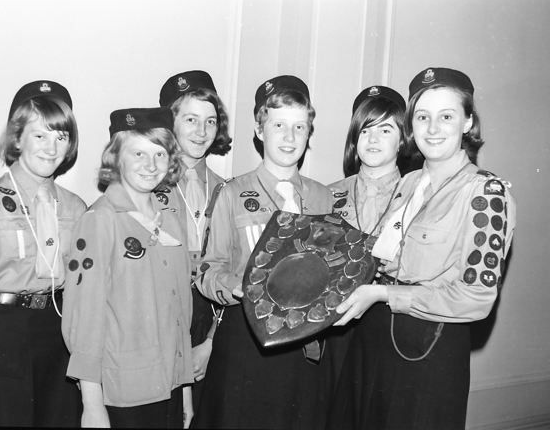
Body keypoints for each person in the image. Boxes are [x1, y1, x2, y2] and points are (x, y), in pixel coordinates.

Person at [327, 67, 517, 429]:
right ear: (411, 127)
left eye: (446, 116)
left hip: (429, 350)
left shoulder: (485, 194)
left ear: (467, 123)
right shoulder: (407, 182)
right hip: (372, 341)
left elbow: (475, 299)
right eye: (422, 117)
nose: (433, 128)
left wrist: (384, 293)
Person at [192, 75, 334, 429]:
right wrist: (237, 285)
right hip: (247, 339)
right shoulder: (232, 193)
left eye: (299, 127)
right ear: (259, 130)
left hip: (305, 340)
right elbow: (207, 271)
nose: (289, 137)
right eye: (279, 125)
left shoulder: (324, 198)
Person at [0, 80, 85, 426]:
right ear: (17, 137)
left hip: (59, 342)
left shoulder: (75, 208)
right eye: (40, 135)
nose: (51, 148)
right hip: (1, 339)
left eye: (61, 137)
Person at [61, 107, 194, 428]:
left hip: (171, 387)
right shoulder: (99, 221)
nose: (151, 166)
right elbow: (84, 321)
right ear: (116, 158)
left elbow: (180, 316)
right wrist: (91, 406)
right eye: (138, 153)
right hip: (122, 393)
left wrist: (186, 394)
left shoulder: (172, 221)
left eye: (160, 154)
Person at [158, 70, 232, 410]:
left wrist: (211, 341)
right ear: (170, 122)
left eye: (210, 121)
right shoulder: (145, 188)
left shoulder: (229, 191)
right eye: (190, 119)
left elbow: (234, 273)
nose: (201, 132)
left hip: (210, 318)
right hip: (157, 319)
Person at [327, 85, 409, 378]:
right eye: (365, 130)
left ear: (403, 139)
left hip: (390, 328)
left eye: (385, 130)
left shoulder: (418, 197)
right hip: (333, 330)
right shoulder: (327, 195)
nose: (373, 139)